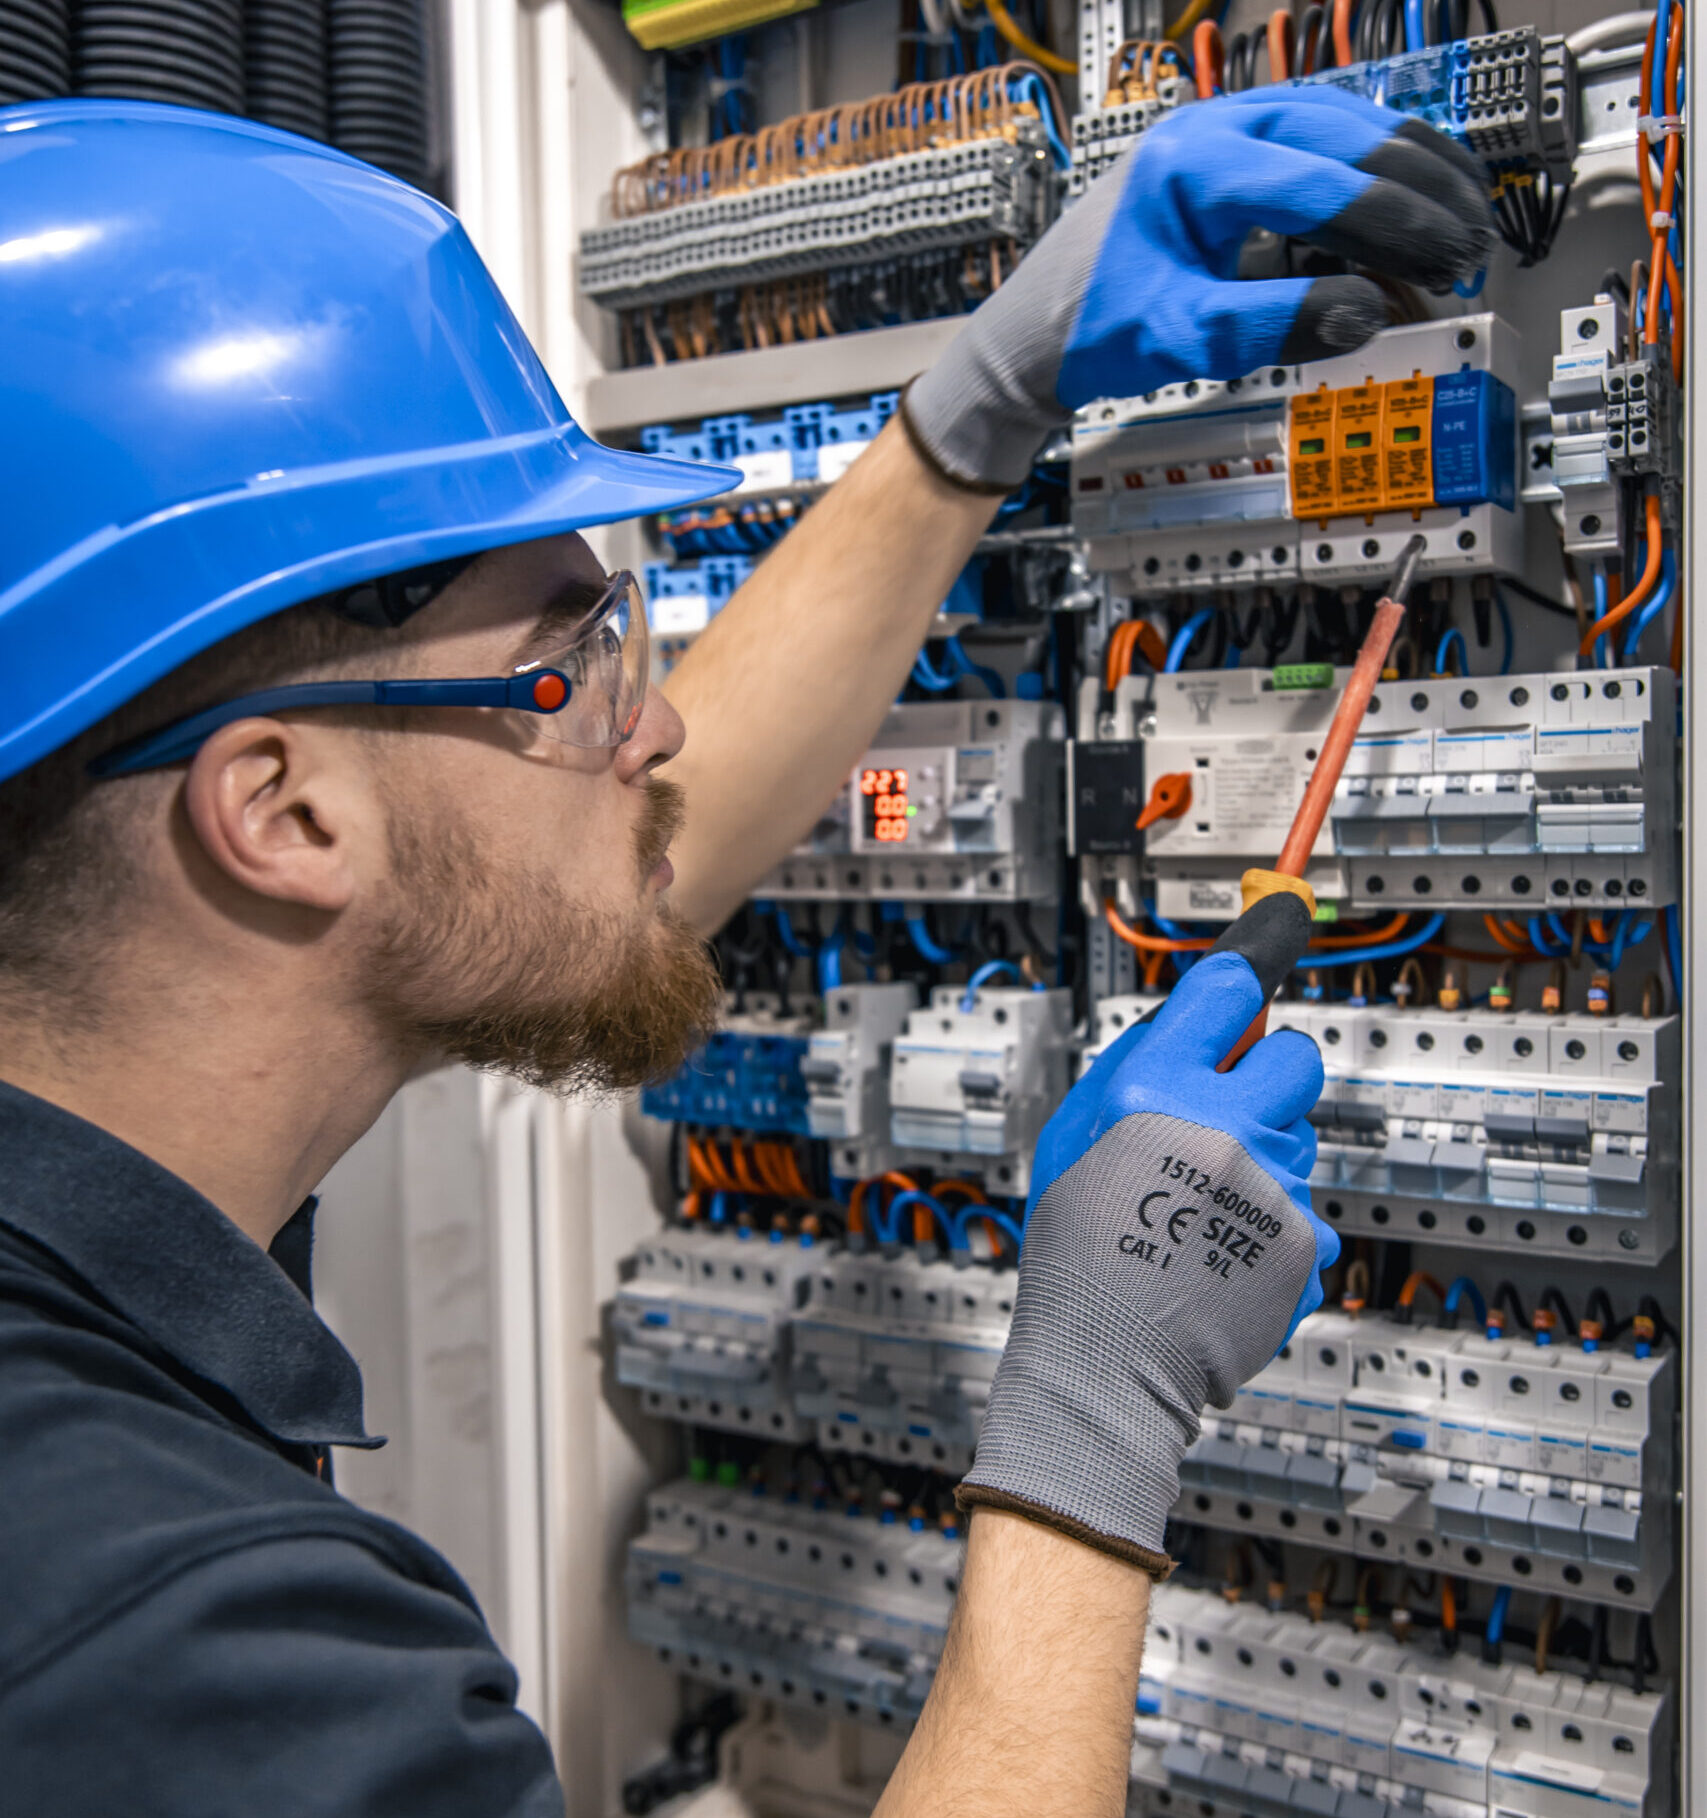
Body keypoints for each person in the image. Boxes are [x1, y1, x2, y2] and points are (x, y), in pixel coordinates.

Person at [0, 94, 1489, 1816]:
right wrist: (1096, 1405)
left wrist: (973, 409)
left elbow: (598, 847)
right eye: (579, 664)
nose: (649, 737)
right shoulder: (172, 1656)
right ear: (284, 812)